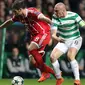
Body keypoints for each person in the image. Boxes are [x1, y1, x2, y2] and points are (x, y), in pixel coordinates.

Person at [0, 0, 55, 82]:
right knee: (32, 62)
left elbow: (42, 17)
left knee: (31, 48)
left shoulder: (32, 12)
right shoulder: (19, 16)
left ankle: (42, 59)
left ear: (20, 9)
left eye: (15, 11)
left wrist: (54, 24)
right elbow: (9, 22)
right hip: (35, 36)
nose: (14, 14)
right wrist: (0, 27)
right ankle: (50, 72)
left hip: (43, 33)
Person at [50, 2, 85, 85]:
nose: (54, 13)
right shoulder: (55, 17)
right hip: (63, 40)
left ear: (63, 11)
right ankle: (59, 78)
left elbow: (83, 25)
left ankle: (77, 80)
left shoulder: (74, 15)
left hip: (75, 39)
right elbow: (53, 34)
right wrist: (56, 38)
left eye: (56, 11)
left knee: (70, 56)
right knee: (52, 57)